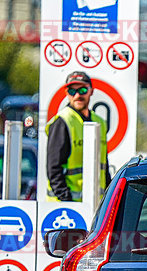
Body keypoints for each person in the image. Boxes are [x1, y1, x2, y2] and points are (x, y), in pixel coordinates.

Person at [45, 71, 110, 202]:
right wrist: (67, 200)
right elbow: (53, 168)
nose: (78, 95)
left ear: (91, 91)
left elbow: (104, 166)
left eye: (83, 90)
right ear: (66, 93)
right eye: (72, 91)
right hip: (67, 206)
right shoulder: (63, 121)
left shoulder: (100, 122)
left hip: (96, 204)